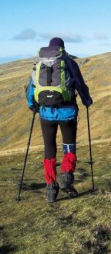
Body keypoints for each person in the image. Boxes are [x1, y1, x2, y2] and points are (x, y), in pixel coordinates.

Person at [26, 37, 93, 203]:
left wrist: (32, 105)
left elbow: (31, 88)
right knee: (68, 145)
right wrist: (86, 100)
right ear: (62, 48)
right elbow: (79, 84)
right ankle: (67, 177)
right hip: (67, 112)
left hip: (46, 113)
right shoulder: (69, 63)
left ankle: (50, 187)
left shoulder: (39, 64)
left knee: (49, 147)